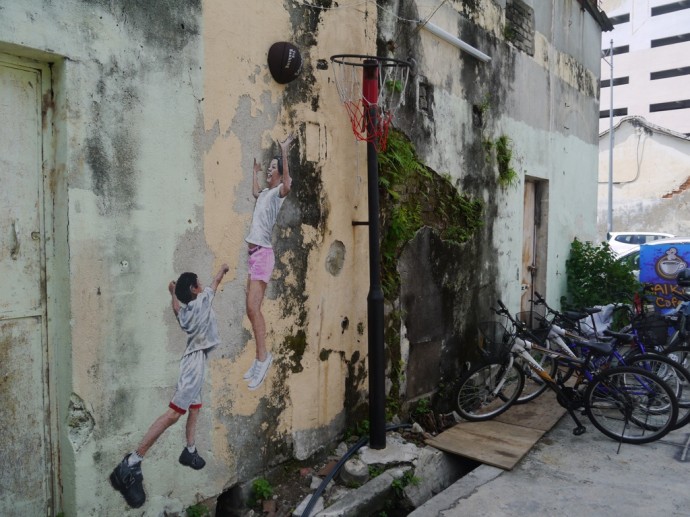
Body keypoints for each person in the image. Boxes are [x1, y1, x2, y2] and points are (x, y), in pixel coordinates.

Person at [110, 264, 230, 508]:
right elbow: (215, 283)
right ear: (195, 289)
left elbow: (176, 308)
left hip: (195, 359)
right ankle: (131, 462)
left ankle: (189, 449)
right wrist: (223, 270)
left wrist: (173, 292)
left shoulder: (185, 312)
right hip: (194, 364)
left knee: (195, 407)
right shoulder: (203, 300)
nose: (202, 284)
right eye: (198, 282)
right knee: (174, 414)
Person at [243, 134, 295, 390]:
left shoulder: (277, 193)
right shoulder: (265, 193)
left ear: (279, 174)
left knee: (254, 308)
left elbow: (288, 182)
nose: (269, 171)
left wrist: (284, 153)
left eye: (272, 169)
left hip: (263, 255)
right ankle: (258, 357)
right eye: (270, 168)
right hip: (254, 256)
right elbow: (254, 192)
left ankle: (263, 359)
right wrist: (254, 173)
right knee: (250, 309)